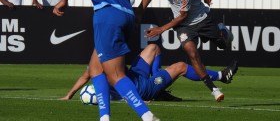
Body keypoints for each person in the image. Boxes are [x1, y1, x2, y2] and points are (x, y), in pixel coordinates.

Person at [53, 0, 157, 121]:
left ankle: (147, 116)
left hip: (107, 14)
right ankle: (104, 118)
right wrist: (139, 11)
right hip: (127, 14)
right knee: (95, 68)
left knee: (115, 75)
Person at [146, 0, 234, 102]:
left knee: (223, 44)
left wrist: (161, 29)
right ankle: (214, 89)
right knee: (192, 54)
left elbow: (183, 16)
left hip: (201, 20)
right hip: (184, 27)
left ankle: (222, 30)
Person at [60, 44, 238, 102]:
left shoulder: (102, 51)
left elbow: (87, 75)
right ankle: (222, 76)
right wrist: (137, 98)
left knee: (153, 47)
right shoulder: (106, 53)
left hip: (134, 76)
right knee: (181, 66)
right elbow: (90, 76)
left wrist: (69, 95)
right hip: (140, 88)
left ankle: (157, 78)